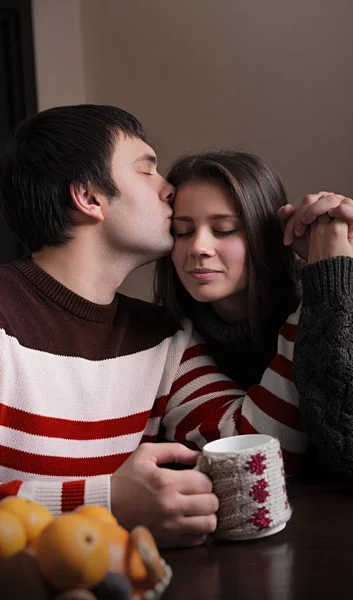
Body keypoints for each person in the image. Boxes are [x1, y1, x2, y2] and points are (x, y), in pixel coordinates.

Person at [0, 105, 311, 548]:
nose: (170, 189)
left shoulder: (162, 337)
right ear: (89, 197)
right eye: (147, 171)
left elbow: (260, 449)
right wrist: (105, 505)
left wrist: (318, 275)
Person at [154, 150, 353, 479]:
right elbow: (252, 452)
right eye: (183, 231)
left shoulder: (341, 301)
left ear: (266, 236)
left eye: (224, 229)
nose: (198, 247)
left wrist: (334, 279)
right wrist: (324, 277)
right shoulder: (166, 338)